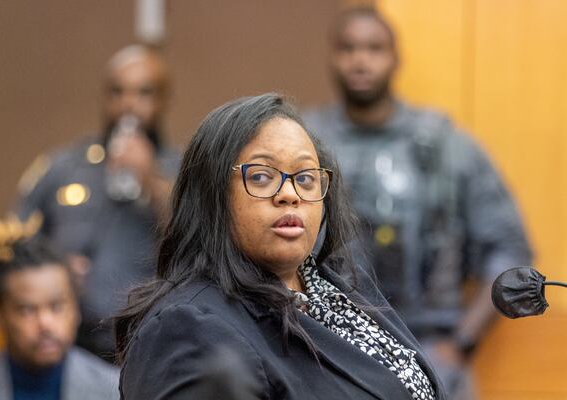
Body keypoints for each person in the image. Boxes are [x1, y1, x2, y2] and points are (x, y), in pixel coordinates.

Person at [115, 93, 446, 399]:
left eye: (304, 177)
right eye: (261, 176)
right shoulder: (188, 330)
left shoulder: (335, 291)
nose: (290, 194)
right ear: (211, 194)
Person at [302, 6, 533, 398]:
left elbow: (509, 251)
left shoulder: (448, 146)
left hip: (432, 347)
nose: (360, 60)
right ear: (332, 56)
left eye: (374, 48)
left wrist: (461, 343)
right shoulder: (304, 143)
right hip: (328, 349)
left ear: (395, 58)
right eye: (348, 48)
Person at [17, 44, 180, 360]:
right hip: (66, 345)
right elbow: (17, 240)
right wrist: (53, 267)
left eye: (143, 93)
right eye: (117, 92)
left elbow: (202, 243)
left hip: (151, 345)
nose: (128, 105)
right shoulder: (63, 167)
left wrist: (151, 181)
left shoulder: (183, 171)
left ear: (164, 100)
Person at [0, 213, 119, 400]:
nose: (45, 323)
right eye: (27, 310)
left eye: (57, 307)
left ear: (76, 309)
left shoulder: (114, 389)